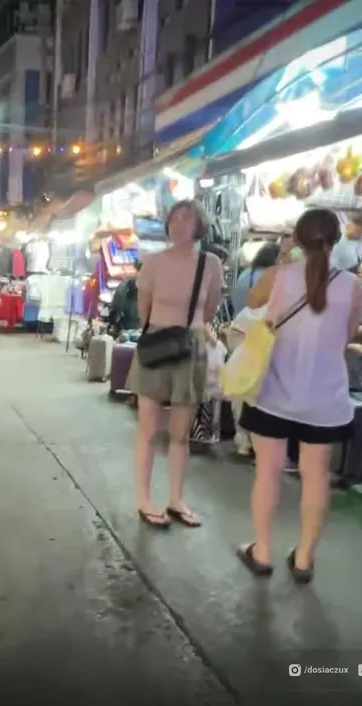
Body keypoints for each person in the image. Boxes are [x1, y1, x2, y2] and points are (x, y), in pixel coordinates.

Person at [235, 208, 362, 584]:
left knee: (268, 471)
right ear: (336, 239)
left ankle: (262, 551)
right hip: (325, 399)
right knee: (316, 476)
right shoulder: (352, 285)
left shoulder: (280, 275)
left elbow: (253, 304)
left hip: (274, 392)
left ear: (298, 239)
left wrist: (283, 260)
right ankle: (304, 558)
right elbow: (347, 336)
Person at [131, 200, 225, 529]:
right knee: (148, 428)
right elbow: (143, 309)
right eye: (174, 218)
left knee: (180, 433)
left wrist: (187, 326)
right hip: (157, 344)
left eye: (187, 218)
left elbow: (210, 309)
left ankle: (176, 498)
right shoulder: (153, 262)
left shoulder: (210, 263)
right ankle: (144, 498)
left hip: (191, 345)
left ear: (199, 226)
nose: (179, 224)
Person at [230, 241, 280, 315]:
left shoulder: (246, 272)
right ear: (276, 259)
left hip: (240, 318)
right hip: (258, 319)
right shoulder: (270, 276)